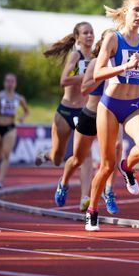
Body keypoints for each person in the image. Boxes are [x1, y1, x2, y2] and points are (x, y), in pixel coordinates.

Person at [85, 0, 139, 231]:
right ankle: (92, 210)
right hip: (110, 106)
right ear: (125, 11)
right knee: (106, 165)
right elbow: (98, 74)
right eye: (136, 10)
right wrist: (124, 66)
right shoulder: (113, 39)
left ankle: (127, 168)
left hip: (134, 104)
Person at [54, 30, 121, 214]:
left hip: (111, 114)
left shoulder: (123, 64)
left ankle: (109, 191)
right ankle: (64, 182)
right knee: (77, 159)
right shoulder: (94, 63)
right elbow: (84, 89)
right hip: (91, 114)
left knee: (116, 148)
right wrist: (102, 76)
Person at [35, 21, 94, 212]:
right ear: (77, 37)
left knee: (86, 156)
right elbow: (64, 80)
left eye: (91, 32)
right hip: (66, 110)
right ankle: (47, 154)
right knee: (58, 158)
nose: (89, 36)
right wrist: (85, 77)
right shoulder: (76, 56)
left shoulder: (95, 57)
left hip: (83, 112)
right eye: (85, 33)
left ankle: (86, 198)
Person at [0, 73, 30, 189]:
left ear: (15, 84)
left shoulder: (19, 98)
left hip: (10, 127)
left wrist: (22, 118)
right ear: (4, 83)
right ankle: (0, 167)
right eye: (8, 81)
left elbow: (27, 111)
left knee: (6, 154)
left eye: (12, 81)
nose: (10, 84)